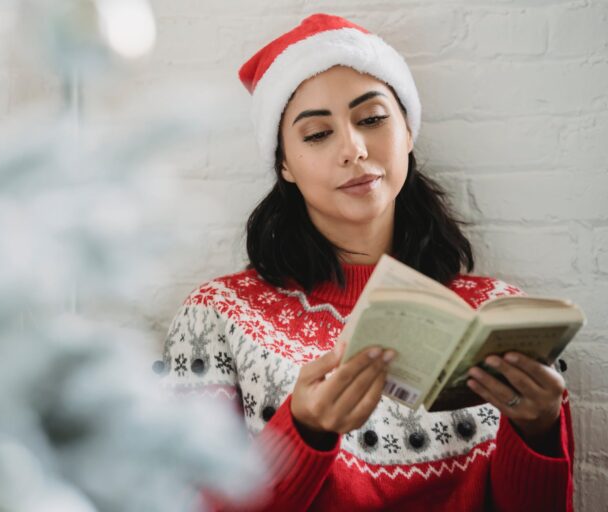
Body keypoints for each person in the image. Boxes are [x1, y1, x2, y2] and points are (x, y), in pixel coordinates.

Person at [155, 13, 573, 512]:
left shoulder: (500, 316)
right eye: (316, 134)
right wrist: (303, 433)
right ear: (284, 163)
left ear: (408, 131)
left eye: (372, 119)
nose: (353, 149)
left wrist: (541, 433)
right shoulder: (216, 316)